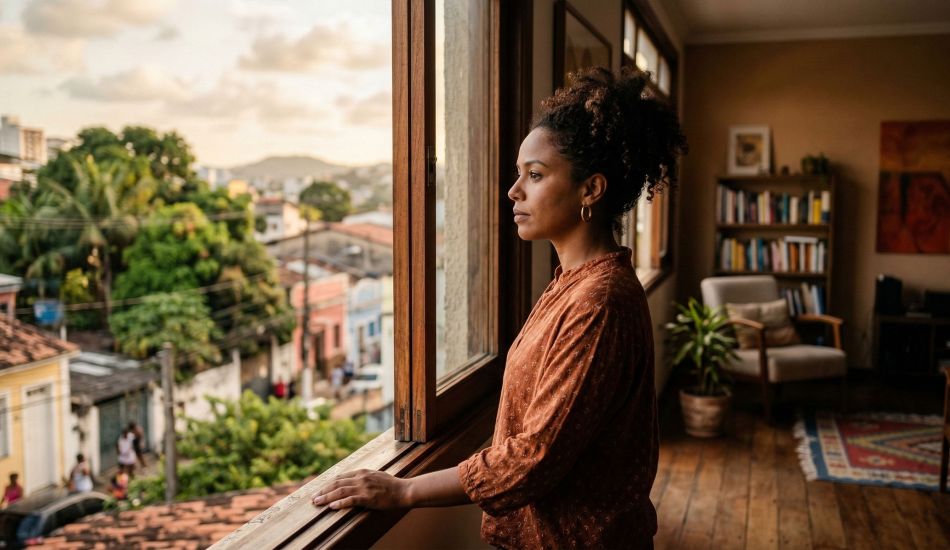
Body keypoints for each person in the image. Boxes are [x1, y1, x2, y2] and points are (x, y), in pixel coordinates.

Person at [311, 67, 687, 549]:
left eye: (535, 175)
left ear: (590, 189)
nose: (514, 191)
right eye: (519, 174)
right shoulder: (573, 284)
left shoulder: (599, 303)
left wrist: (403, 490)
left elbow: (532, 459)